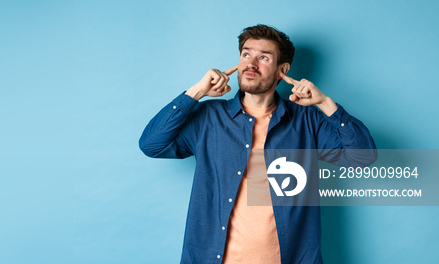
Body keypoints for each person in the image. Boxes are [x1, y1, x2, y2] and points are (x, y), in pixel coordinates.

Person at [138, 24, 376, 264]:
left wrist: (325, 103)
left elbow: (363, 158)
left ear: (282, 70)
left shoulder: (306, 120)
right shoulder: (209, 118)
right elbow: (152, 144)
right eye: (246, 54)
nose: (250, 64)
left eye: (263, 57)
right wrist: (196, 92)